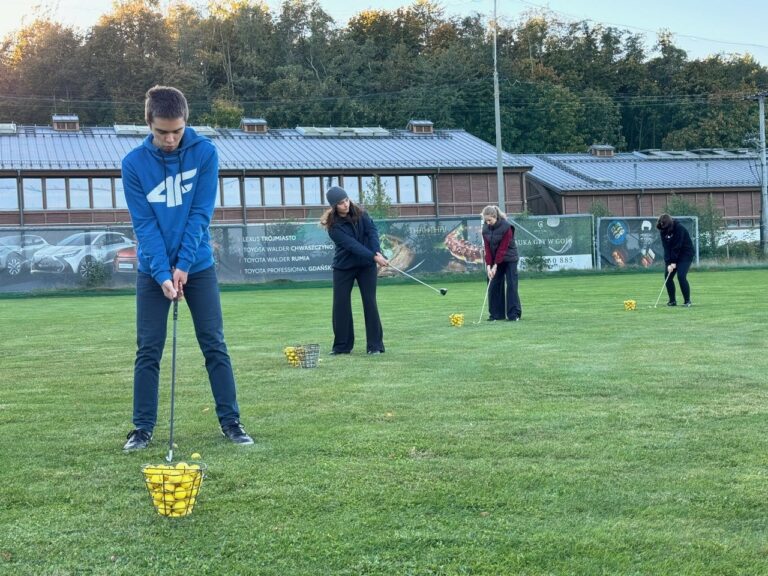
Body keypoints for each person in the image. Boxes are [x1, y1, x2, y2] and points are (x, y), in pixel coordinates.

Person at [121, 85, 253, 451]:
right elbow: (144, 225)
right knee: (148, 349)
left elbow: (200, 214)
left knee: (214, 343)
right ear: (149, 123)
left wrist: (183, 265)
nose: (170, 139)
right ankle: (142, 428)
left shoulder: (205, 153)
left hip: (198, 266)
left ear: (185, 123)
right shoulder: (133, 164)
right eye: (162, 131)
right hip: (152, 273)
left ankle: (232, 422)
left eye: (177, 131)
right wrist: (163, 273)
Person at [320, 186, 388, 355]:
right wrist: (374, 257)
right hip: (344, 267)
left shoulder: (361, 213)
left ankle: (375, 346)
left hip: (366, 267)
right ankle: (342, 347)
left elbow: (372, 232)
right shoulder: (333, 227)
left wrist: (377, 250)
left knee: (370, 302)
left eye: (346, 200)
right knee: (340, 305)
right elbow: (352, 245)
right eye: (341, 203)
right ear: (334, 206)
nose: (345, 205)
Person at [481, 205, 521, 321]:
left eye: (490, 220)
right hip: (494, 259)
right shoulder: (485, 228)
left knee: (511, 285)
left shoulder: (507, 227)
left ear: (495, 217)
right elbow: (487, 249)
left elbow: (503, 248)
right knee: (493, 285)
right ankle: (496, 315)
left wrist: (495, 266)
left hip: (509, 258)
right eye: (486, 220)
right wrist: (488, 266)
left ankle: (514, 314)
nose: (488, 222)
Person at [656, 213, 695, 307]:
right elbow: (666, 248)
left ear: (669, 223)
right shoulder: (663, 231)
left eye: (664, 225)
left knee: (681, 276)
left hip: (685, 254)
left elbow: (677, 246)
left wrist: (673, 262)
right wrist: (668, 263)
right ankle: (672, 301)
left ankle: (687, 301)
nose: (663, 228)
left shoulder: (679, 229)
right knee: (668, 277)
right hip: (673, 255)